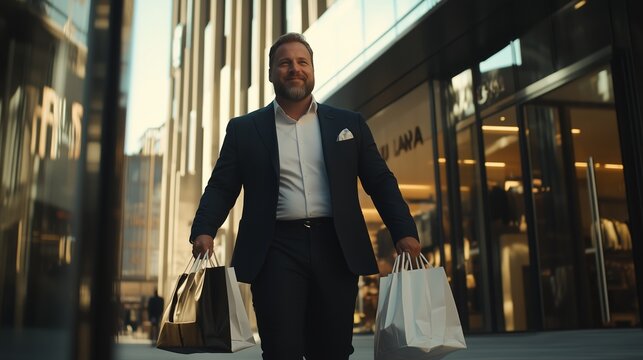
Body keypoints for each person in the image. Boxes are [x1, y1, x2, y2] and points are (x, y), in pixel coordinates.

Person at [190, 32, 420, 360]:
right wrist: (204, 229)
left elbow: (380, 181)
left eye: (302, 62)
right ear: (271, 73)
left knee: (333, 349)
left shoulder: (348, 123)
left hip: (336, 246)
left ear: (312, 70)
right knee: (282, 348)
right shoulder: (245, 129)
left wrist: (404, 231)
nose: (294, 69)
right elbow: (222, 186)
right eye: (285, 63)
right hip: (274, 249)